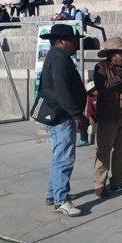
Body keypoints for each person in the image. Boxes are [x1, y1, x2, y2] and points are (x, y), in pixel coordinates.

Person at [38, 24, 87, 216]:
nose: (75, 44)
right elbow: (62, 90)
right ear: (61, 41)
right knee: (64, 158)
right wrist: (76, 114)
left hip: (60, 114)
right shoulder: (59, 58)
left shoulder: (57, 56)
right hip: (62, 116)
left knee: (59, 156)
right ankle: (61, 200)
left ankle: (53, 194)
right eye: (73, 40)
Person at [93, 37, 122, 198]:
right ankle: (99, 184)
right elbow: (101, 87)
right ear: (112, 55)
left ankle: (118, 179)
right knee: (104, 151)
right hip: (109, 116)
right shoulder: (101, 67)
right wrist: (120, 77)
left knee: (121, 150)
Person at [77, 81, 98, 147]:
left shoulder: (104, 95)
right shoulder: (91, 97)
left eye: (95, 89)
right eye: (92, 90)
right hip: (95, 116)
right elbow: (89, 110)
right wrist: (90, 117)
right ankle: (84, 140)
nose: (94, 91)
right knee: (82, 119)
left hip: (103, 116)